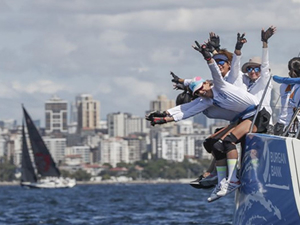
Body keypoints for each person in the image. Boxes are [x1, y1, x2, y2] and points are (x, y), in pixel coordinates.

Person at [147, 41, 270, 202]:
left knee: (228, 142)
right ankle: (221, 182)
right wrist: (163, 117)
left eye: (202, 88)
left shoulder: (219, 85)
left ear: (207, 83)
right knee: (218, 147)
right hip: (245, 117)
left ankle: (232, 179)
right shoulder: (206, 101)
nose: (202, 92)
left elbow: (214, 70)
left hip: (258, 114)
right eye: (198, 92)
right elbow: (186, 110)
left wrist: (207, 56)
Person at [273, 57, 300, 135]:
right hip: (289, 124)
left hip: (284, 123)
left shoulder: (284, 84)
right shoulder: (285, 84)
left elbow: (276, 78)